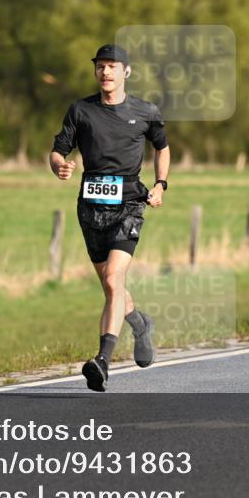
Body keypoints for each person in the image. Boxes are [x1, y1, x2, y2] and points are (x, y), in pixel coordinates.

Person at [50, 44, 171, 391]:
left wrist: (161, 185)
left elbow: (162, 147)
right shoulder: (81, 110)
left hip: (130, 204)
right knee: (109, 285)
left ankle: (102, 360)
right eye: (100, 67)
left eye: (112, 67)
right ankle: (140, 323)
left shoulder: (145, 112)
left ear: (126, 72)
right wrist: (60, 166)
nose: (106, 73)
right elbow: (58, 150)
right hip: (90, 208)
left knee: (115, 280)